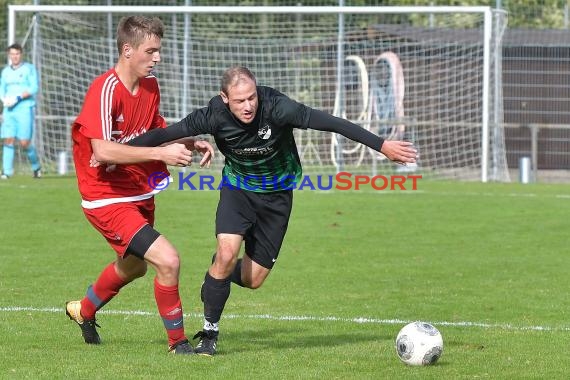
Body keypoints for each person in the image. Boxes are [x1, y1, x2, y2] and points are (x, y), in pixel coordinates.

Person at [128, 66, 417, 356]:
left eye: (252, 97)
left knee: (254, 279)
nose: (248, 105)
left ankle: (219, 271)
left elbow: (332, 123)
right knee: (228, 252)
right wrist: (115, 152)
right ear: (224, 98)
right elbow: (163, 134)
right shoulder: (212, 115)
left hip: (277, 196)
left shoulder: (279, 108)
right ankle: (209, 332)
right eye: (240, 100)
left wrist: (382, 146)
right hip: (238, 190)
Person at [65, 15, 214, 355]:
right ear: (128, 50)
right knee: (168, 259)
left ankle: (83, 311)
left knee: (134, 266)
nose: (157, 58)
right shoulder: (105, 89)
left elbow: (156, 130)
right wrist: (160, 154)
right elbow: (101, 150)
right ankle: (178, 345)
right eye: (151, 51)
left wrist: (190, 141)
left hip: (138, 191)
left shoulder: (150, 87)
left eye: (159, 50)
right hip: (105, 197)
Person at [0, 43, 41, 179]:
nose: (14, 56)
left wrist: (18, 97)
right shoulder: (5, 71)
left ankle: (36, 167)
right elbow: (2, 88)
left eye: (17, 54)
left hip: (24, 109)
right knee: (8, 140)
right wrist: (4, 99)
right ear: (9, 55)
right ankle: (6, 172)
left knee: (24, 142)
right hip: (9, 111)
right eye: (12, 54)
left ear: (21, 54)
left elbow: (34, 87)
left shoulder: (29, 69)